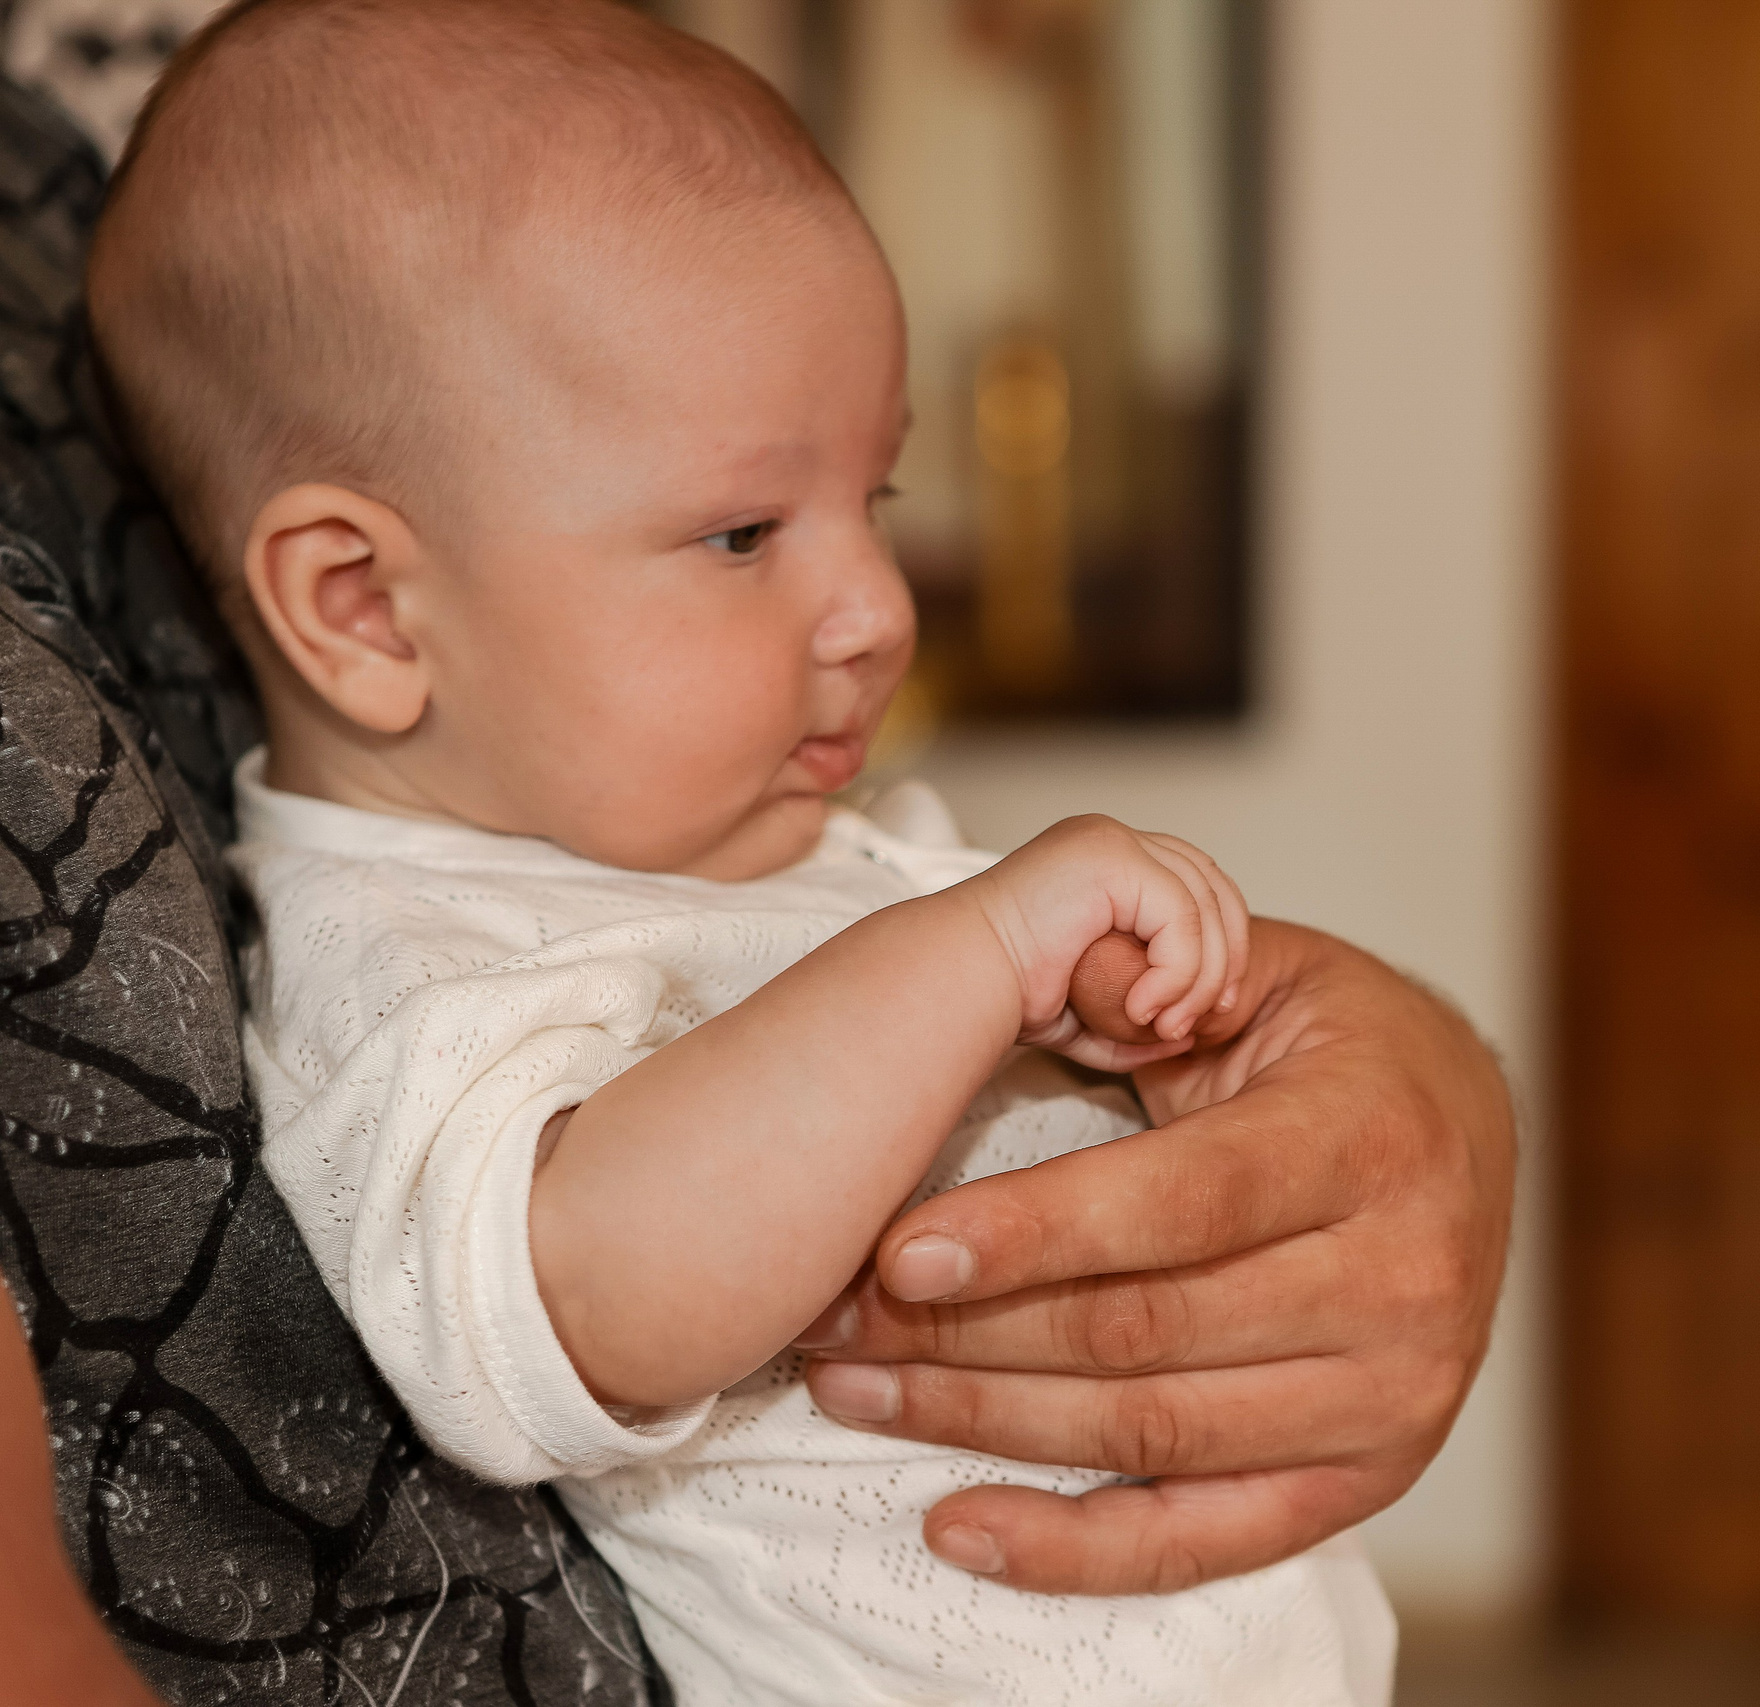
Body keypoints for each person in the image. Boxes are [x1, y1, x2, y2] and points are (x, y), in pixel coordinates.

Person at [58, 0, 1513, 1702]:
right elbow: (575, 1301)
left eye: (876, 501)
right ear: (366, 609)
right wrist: (981, 953)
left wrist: (1143, 1005)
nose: (879, 613)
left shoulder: (783, 838)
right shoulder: (410, 947)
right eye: (745, 532)